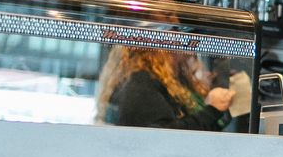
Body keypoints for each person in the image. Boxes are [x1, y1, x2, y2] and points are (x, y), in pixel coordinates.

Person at [96, 46, 243, 131]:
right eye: (174, 29)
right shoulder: (141, 81)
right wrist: (212, 110)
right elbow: (164, 137)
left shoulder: (155, 79)